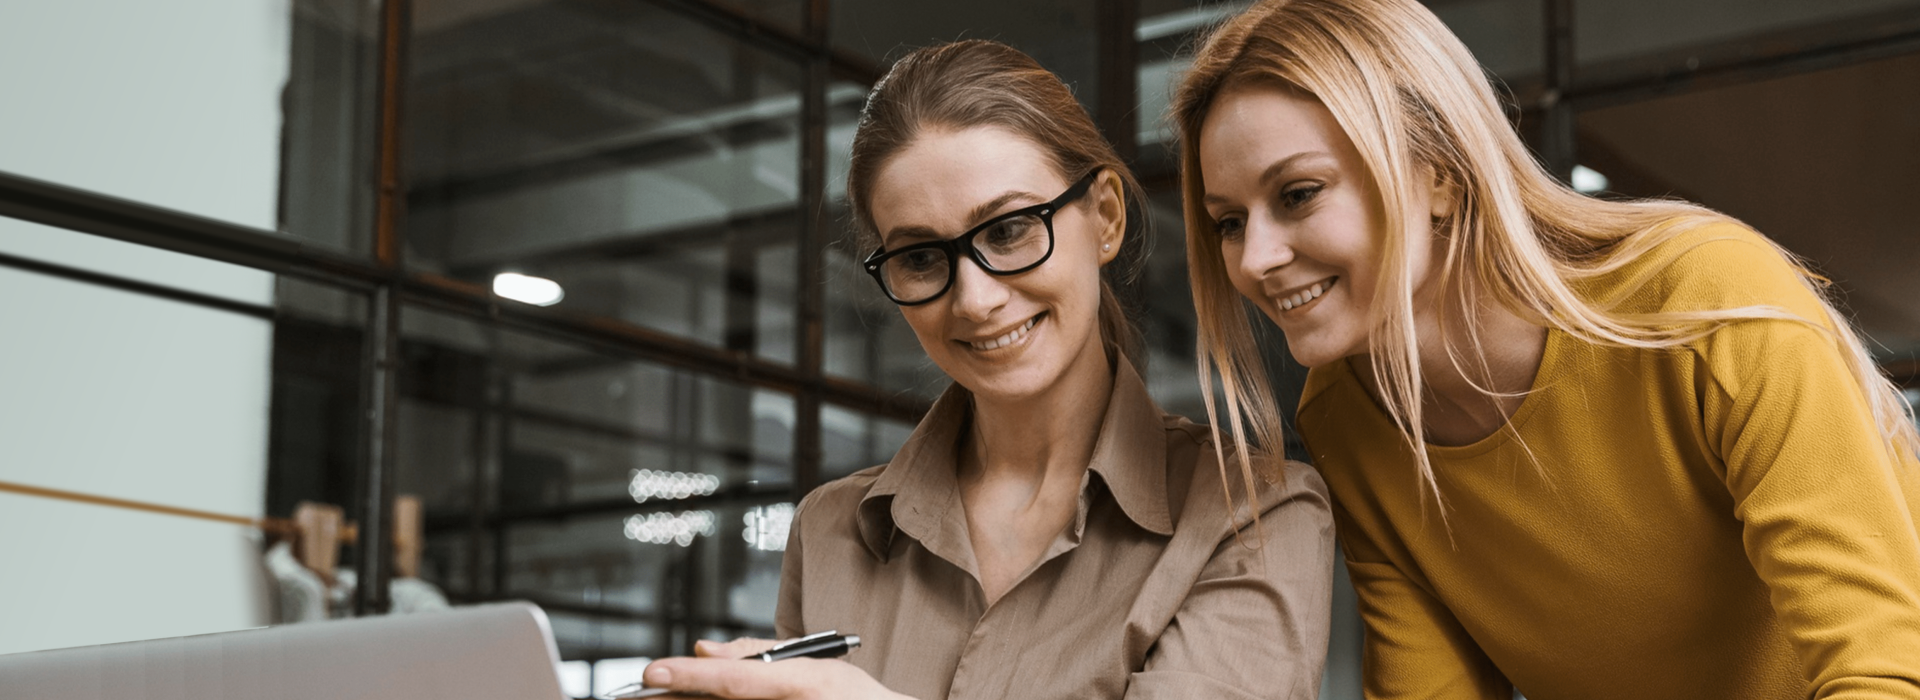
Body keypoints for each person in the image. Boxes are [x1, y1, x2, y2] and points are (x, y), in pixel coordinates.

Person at [1172, 0, 1920, 697]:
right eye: (1228, 222)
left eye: (1298, 193)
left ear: (1436, 173)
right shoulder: (1346, 418)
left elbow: (1884, 671)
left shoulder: (1702, 300)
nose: (1256, 258)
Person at [636, 39, 1334, 700]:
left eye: (1008, 231)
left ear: (1106, 218)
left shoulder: (1257, 513)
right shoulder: (830, 530)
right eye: (919, 258)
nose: (974, 299)